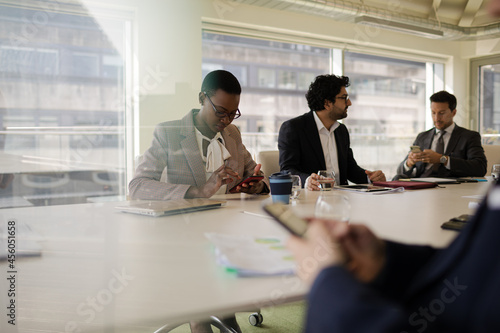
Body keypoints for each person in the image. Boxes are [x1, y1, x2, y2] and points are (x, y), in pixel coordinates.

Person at [129, 70, 269, 200]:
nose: (226, 120)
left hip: (231, 218)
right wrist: (198, 191)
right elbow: (138, 186)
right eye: (220, 112)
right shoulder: (168, 133)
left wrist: (258, 185)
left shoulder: (232, 133)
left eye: (233, 114)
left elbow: (257, 175)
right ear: (202, 98)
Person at [278, 74, 386, 191]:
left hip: (343, 199)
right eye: (344, 97)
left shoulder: (341, 130)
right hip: (312, 200)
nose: (349, 102)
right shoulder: (294, 128)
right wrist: (308, 180)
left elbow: (349, 169)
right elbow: (287, 170)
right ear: (327, 103)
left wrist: (370, 178)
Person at [394, 91, 487, 180]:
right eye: (433, 113)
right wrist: (409, 163)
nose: (436, 118)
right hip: (421, 185)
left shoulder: (469, 136)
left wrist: (442, 159)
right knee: (396, 178)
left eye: (441, 113)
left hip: (450, 187)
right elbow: (400, 171)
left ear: (453, 112)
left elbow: (480, 168)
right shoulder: (422, 137)